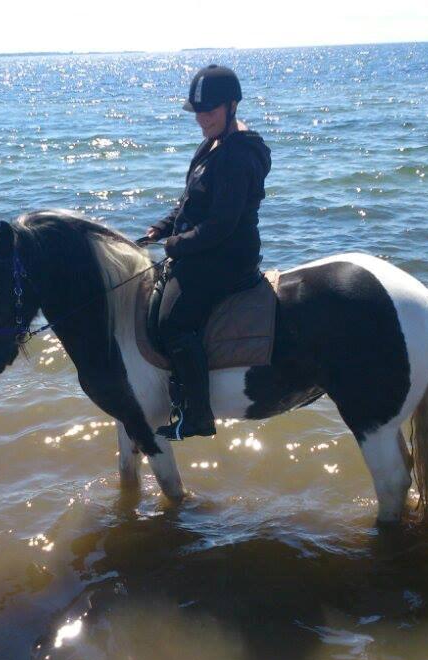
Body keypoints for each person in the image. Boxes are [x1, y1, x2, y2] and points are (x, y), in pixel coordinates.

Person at [143, 64, 272, 440]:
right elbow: (191, 203)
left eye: (210, 112)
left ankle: (197, 416)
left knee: (174, 324)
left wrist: (175, 245)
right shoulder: (214, 143)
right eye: (198, 112)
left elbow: (220, 226)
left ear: (232, 106)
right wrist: (162, 228)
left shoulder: (237, 156)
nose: (202, 120)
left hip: (227, 257)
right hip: (205, 248)